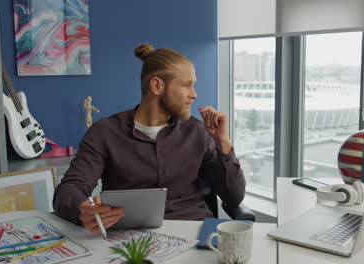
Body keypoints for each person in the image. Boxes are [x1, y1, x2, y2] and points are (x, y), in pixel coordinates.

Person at [53, 43, 246, 233]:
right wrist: (83, 209)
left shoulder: (198, 132)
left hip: (195, 234)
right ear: (157, 85)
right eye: (187, 85)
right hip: (131, 239)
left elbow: (234, 198)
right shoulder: (104, 133)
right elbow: (69, 190)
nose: (194, 94)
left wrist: (223, 143)